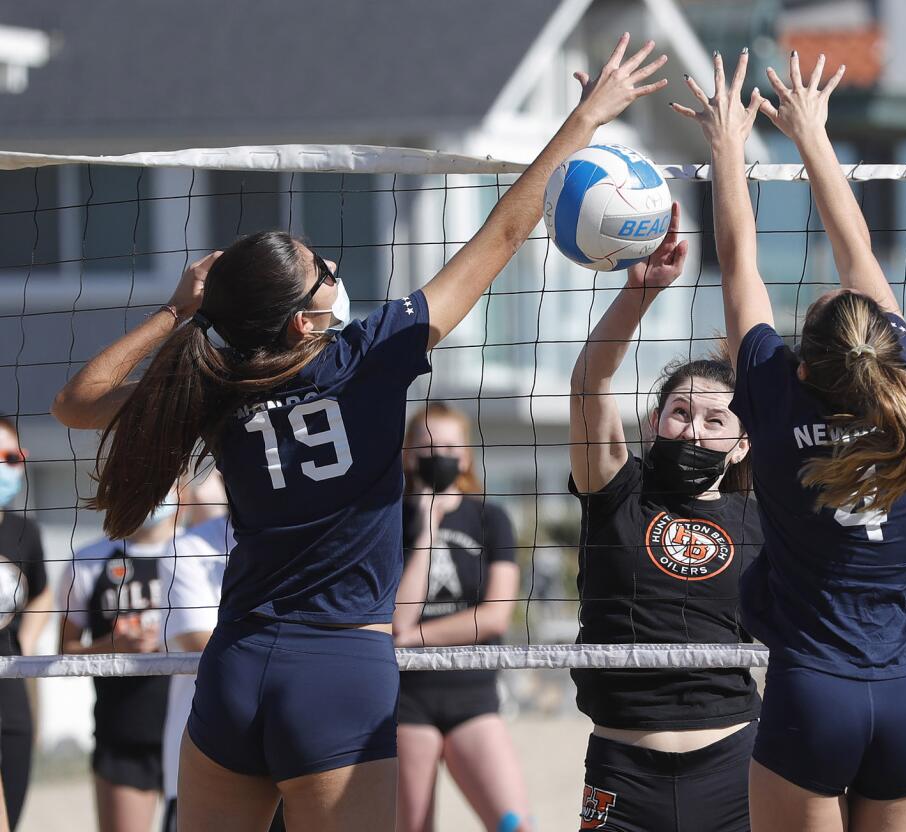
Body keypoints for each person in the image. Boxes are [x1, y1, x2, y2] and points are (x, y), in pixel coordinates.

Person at [51, 33, 668, 832]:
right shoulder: (366, 357)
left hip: (236, 666)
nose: (339, 278)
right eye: (326, 275)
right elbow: (503, 235)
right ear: (307, 319)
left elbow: (75, 401)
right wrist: (583, 117)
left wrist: (179, 308)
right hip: (338, 671)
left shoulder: (210, 387)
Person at [673, 50, 906, 831]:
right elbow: (859, 251)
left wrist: (726, 149)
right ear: (882, 350)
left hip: (814, 691)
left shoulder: (772, 395)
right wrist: (813, 135)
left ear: (803, 362)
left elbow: (738, 259)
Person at [567, 202, 763, 832]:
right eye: (681, 411)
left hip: (736, 763)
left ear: (740, 445)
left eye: (715, 420)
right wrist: (641, 292)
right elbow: (590, 382)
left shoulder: (759, 519)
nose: (694, 427)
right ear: (654, 424)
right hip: (623, 769)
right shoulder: (616, 494)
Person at [392, 402, 527, 832]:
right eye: (428, 446)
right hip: (405, 699)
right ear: (409, 455)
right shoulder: (388, 520)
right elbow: (397, 619)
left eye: (450, 445)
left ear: (466, 455)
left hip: (473, 693)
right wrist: (427, 527)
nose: (440, 455)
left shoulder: (490, 518)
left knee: (514, 825)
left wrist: (414, 637)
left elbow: (494, 617)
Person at [159, 470, 287, 832]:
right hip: (211, 750)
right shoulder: (187, 548)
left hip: (294, 748)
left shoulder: (309, 542)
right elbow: (204, 645)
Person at [61, 494, 176, 832]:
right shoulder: (89, 561)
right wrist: (114, 644)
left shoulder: (205, 551)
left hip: (195, 732)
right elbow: (65, 653)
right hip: (125, 735)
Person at [0, 416, 51, 830]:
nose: (6, 466)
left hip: (10, 686)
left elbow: (42, 592)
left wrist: (28, 638)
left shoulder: (24, 533)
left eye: (13, 457)